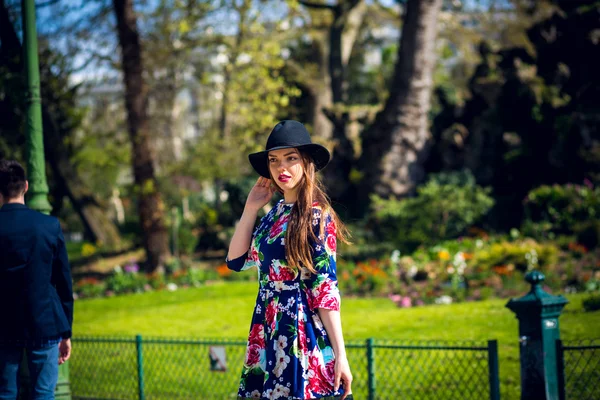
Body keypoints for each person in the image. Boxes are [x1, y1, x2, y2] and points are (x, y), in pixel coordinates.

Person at [226, 120, 353, 400]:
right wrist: (250, 209)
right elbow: (235, 261)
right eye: (274, 160)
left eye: (290, 158)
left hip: (299, 330)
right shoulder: (274, 214)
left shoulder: (318, 217)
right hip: (268, 326)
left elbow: (325, 288)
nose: (281, 168)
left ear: (306, 162)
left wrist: (341, 356)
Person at [0, 160, 74, 399]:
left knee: (5, 392)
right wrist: (66, 331)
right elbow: (63, 282)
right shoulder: (49, 225)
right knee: (43, 393)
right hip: (44, 321)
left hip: (4, 323)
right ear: (27, 186)